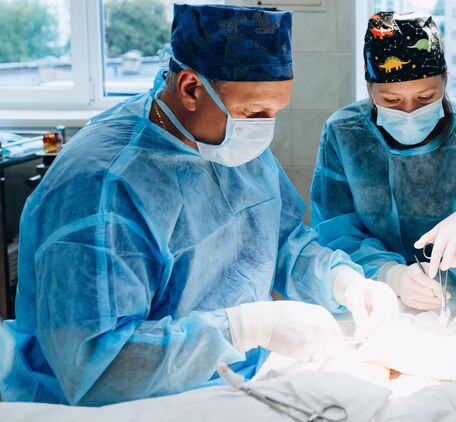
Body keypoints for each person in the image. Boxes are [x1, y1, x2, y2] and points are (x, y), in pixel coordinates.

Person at [2, 4, 396, 406]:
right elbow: (96, 366)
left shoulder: (226, 142)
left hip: (223, 381)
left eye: (274, 112)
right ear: (191, 88)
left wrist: (341, 281)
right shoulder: (102, 186)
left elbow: (278, 238)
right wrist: (246, 327)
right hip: (108, 406)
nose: (263, 127)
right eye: (254, 112)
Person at [311, 12, 456, 311]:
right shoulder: (345, 134)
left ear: (445, 81)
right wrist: (390, 274)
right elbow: (334, 234)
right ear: (370, 88)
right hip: (371, 291)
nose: (410, 112)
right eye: (391, 101)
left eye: (425, 98)